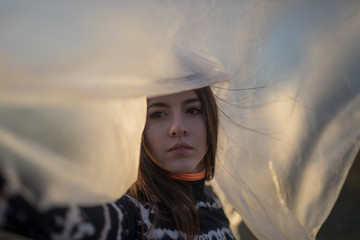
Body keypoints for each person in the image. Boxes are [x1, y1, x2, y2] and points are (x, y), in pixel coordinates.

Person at [0, 86, 236, 239]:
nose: (177, 128)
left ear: (211, 119)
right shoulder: (135, 214)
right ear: (139, 128)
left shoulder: (213, 200)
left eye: (193, 110)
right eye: (157, 114)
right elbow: (53, 214)